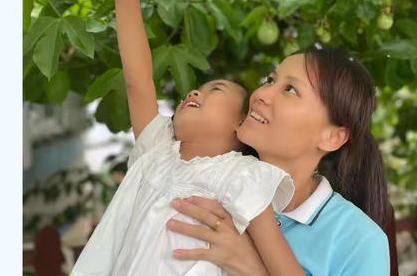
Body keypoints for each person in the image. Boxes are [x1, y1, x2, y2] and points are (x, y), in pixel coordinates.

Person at [70, 0, 305, 276]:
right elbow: (138, 80)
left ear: (240, 125)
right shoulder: (157, 153)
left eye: (216, 91)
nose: (195, 92)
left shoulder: (242, 176)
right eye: (198, 88)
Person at [166, 46, 392, 275]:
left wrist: (251, 266)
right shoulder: (211, 179)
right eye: (270, 80)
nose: (261, 94)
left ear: (332, 137)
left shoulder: (360, 241)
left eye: (290, 89)